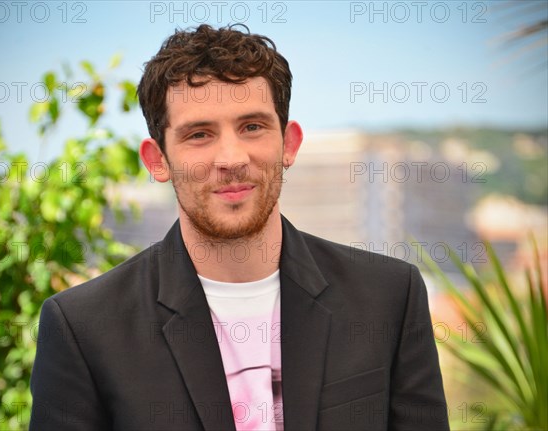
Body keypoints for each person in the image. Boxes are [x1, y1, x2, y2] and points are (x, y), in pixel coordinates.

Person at [29, 24, 449, 430]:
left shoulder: (389, 296)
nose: (231, 158)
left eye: (252, 127)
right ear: (157, 160)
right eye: (199, 134)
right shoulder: (84, 327)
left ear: (289, 143)